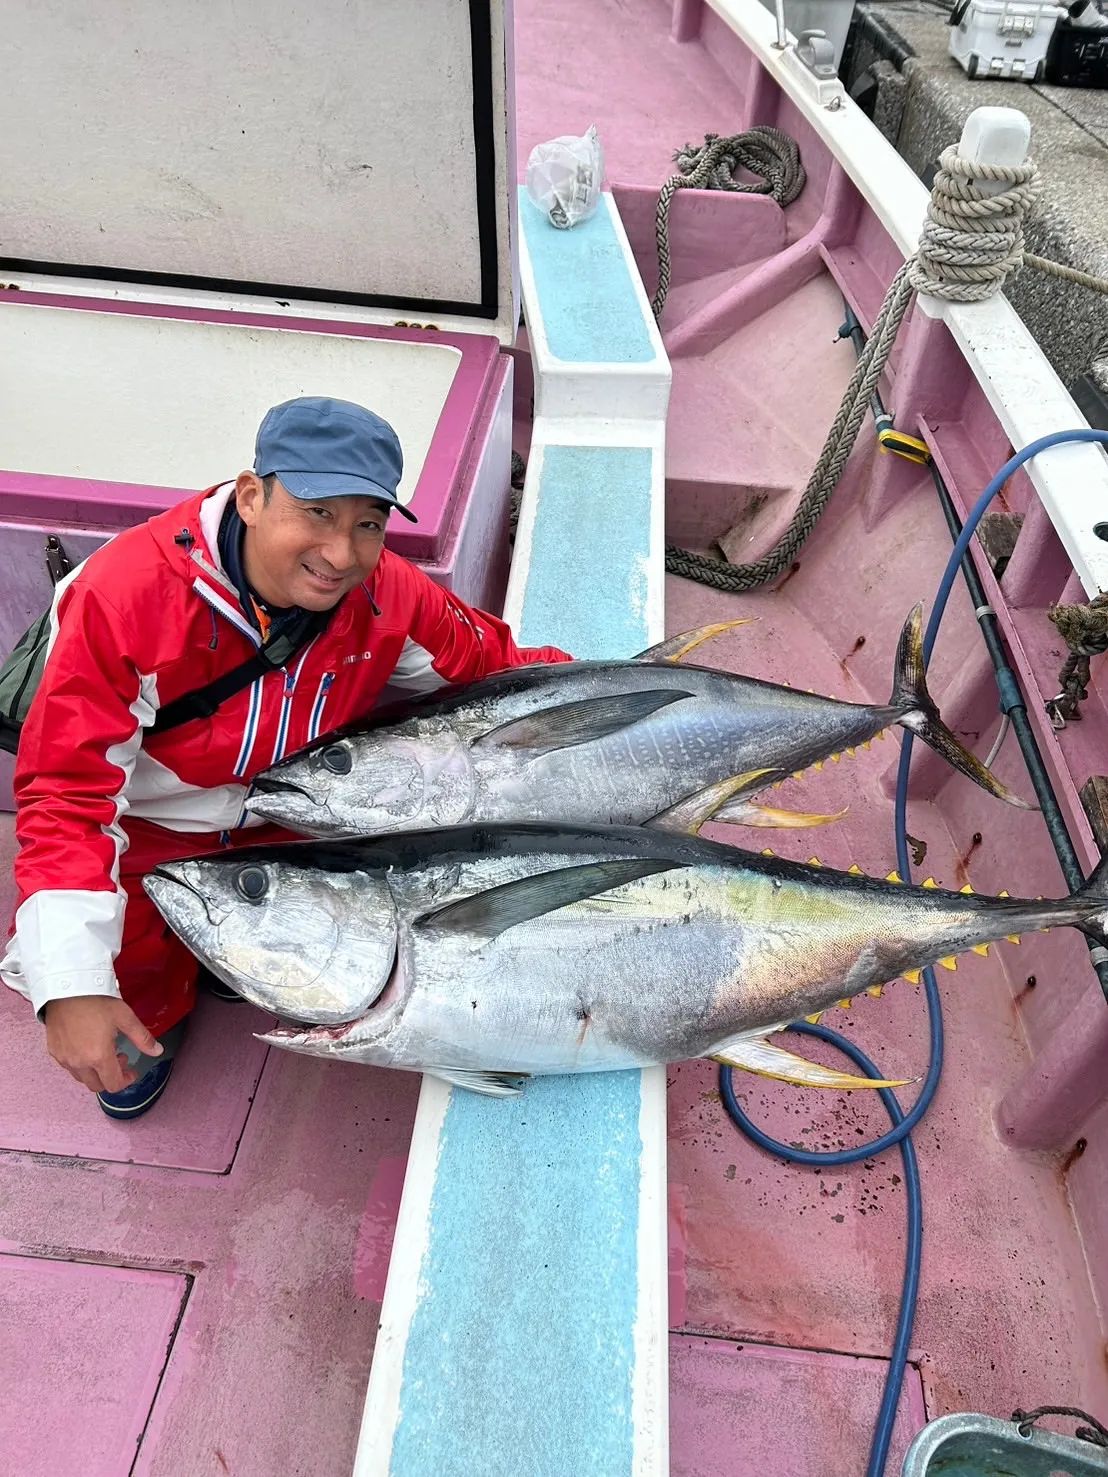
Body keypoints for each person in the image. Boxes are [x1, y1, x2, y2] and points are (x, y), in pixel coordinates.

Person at [0, 396, 570, 1118]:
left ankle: (229, 962)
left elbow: (493, 666)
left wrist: (642, 699)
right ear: (251, 496)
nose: (342, 554)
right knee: (128, 966)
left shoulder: (387, 592)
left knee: (290, 923)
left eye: (368, 523)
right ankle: (151, 1023)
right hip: (147, 829)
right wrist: (73, 988)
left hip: (291, 816)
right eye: (317, 512)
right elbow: (67, 793)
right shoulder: (123, 598)